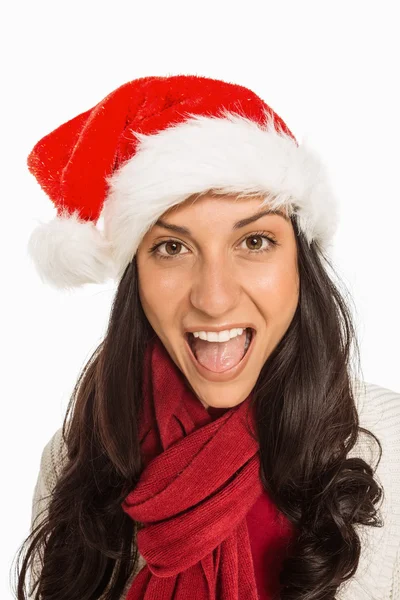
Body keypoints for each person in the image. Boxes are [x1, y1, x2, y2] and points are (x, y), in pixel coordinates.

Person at [13, 75, 400, 600]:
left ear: (301, 267)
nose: (214, 298)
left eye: (255, 241)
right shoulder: (74, 456)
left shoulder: (391, 445)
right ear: (136, 280)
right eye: (172, 248)